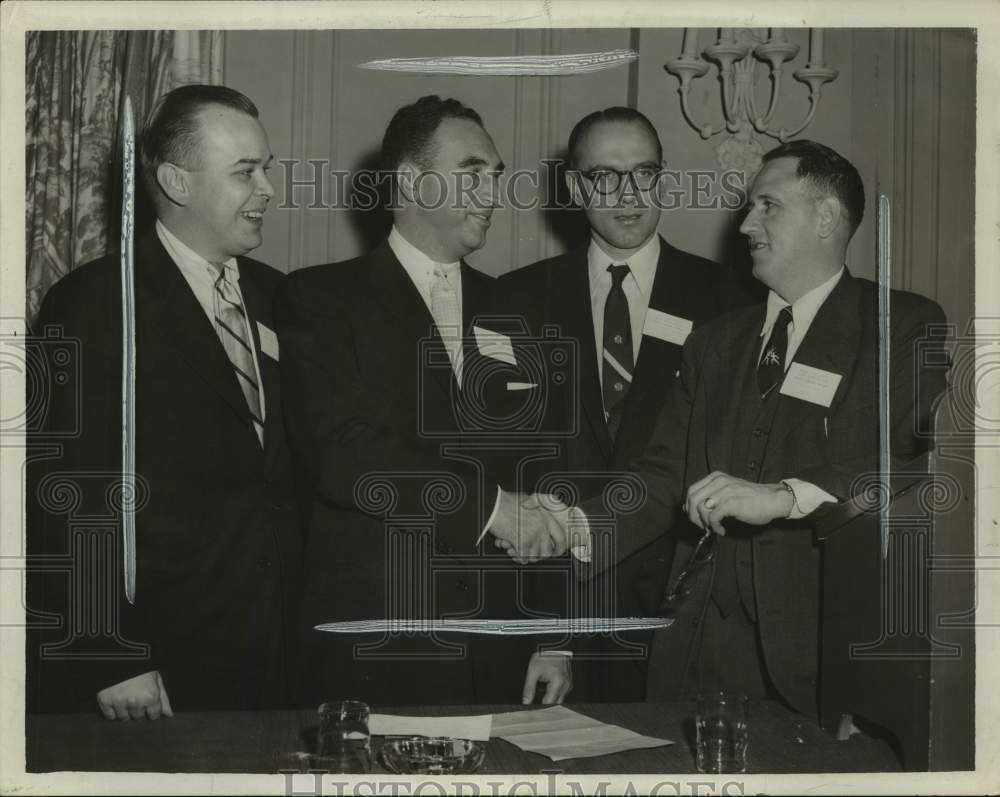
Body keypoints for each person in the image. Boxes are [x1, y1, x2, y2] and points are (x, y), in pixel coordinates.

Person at [492, 139, 948, 717]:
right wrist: (572, 525)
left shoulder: (900, 325)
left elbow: (913, 469)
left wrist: (784, 497)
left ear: (827, 217)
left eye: (767, 205)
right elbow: (661, 477)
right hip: (696, 648)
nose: (745, 224)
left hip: (823, 654)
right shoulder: (716, 342)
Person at [276, 95, 570, 707]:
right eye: (472, 172)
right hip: (378, 642)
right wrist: (491, 510)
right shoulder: (319, 300)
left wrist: (553, 634)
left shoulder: (516, 313)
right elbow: (345, 455)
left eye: (496, 175)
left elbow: (544, 472)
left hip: (501, 649)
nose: (491, 192)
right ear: (410, 180)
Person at [26, 85, 301, 719]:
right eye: (245, 173)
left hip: (275, 655)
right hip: (159, 662)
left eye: (268, 169)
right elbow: (61, 494)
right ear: (176, 181)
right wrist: (107, 653)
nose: (267, 190)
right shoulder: (95, 304)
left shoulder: (282, 299)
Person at [498, 107, 751, 700]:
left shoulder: (728, 300)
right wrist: (554, 632)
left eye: (644, 174)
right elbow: (513, 473)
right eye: (606, 177)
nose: (628, 194)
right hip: (556, 612)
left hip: (683, 611)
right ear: (575, 187)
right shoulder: (517, 299)